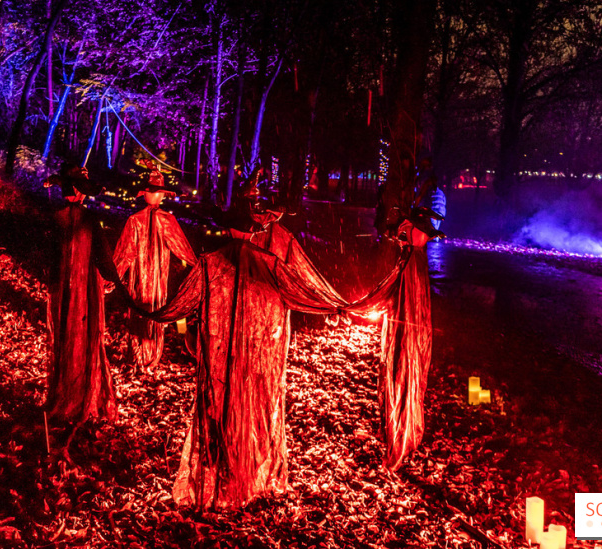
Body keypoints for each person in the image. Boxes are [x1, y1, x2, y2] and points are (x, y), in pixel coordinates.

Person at [150, 241, 348, 509]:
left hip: (226, 357)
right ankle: (238, 475)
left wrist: (155, 315)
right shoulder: (266, 263)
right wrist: (334, 306)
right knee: (242, 412)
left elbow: (183, 302)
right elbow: (300, 290)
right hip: (247, 358)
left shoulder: (215, 262)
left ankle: (228, 474)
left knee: (221, 410)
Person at [349, 206, 443, 471]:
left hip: (410, 335)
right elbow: (391, 292)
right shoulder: (413, 259)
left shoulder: (412, 260)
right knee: (403, 374)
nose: (425, 238)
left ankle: (402, 435)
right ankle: (402, 432)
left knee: (404, 375)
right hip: (408, 334)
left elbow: (388, 293)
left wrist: (357, 309)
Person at [43, 164, 125, 423]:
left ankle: (65, 388)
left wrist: (52, 280)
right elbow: (102, 257)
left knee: (65, 333)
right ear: (80, 194)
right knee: (83, 334)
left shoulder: (55, 218)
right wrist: (113, 279)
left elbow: (48, 257)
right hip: (84, 288)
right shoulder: (89, 221)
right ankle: (80, 392)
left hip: (62, 291)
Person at [112, 170, 197, 372]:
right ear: (145, 194)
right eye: (151, 191)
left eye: (157, 192)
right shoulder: (135, 220)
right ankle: (138, 354)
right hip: (139, 275)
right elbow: (125, 252)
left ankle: (151, 354)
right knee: (139, 308)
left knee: (155, 309)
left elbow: (181, 246)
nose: (154, 196)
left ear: (163, 195)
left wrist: (196, 265)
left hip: (158, 275)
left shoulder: (167, 220)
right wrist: (113, 275)